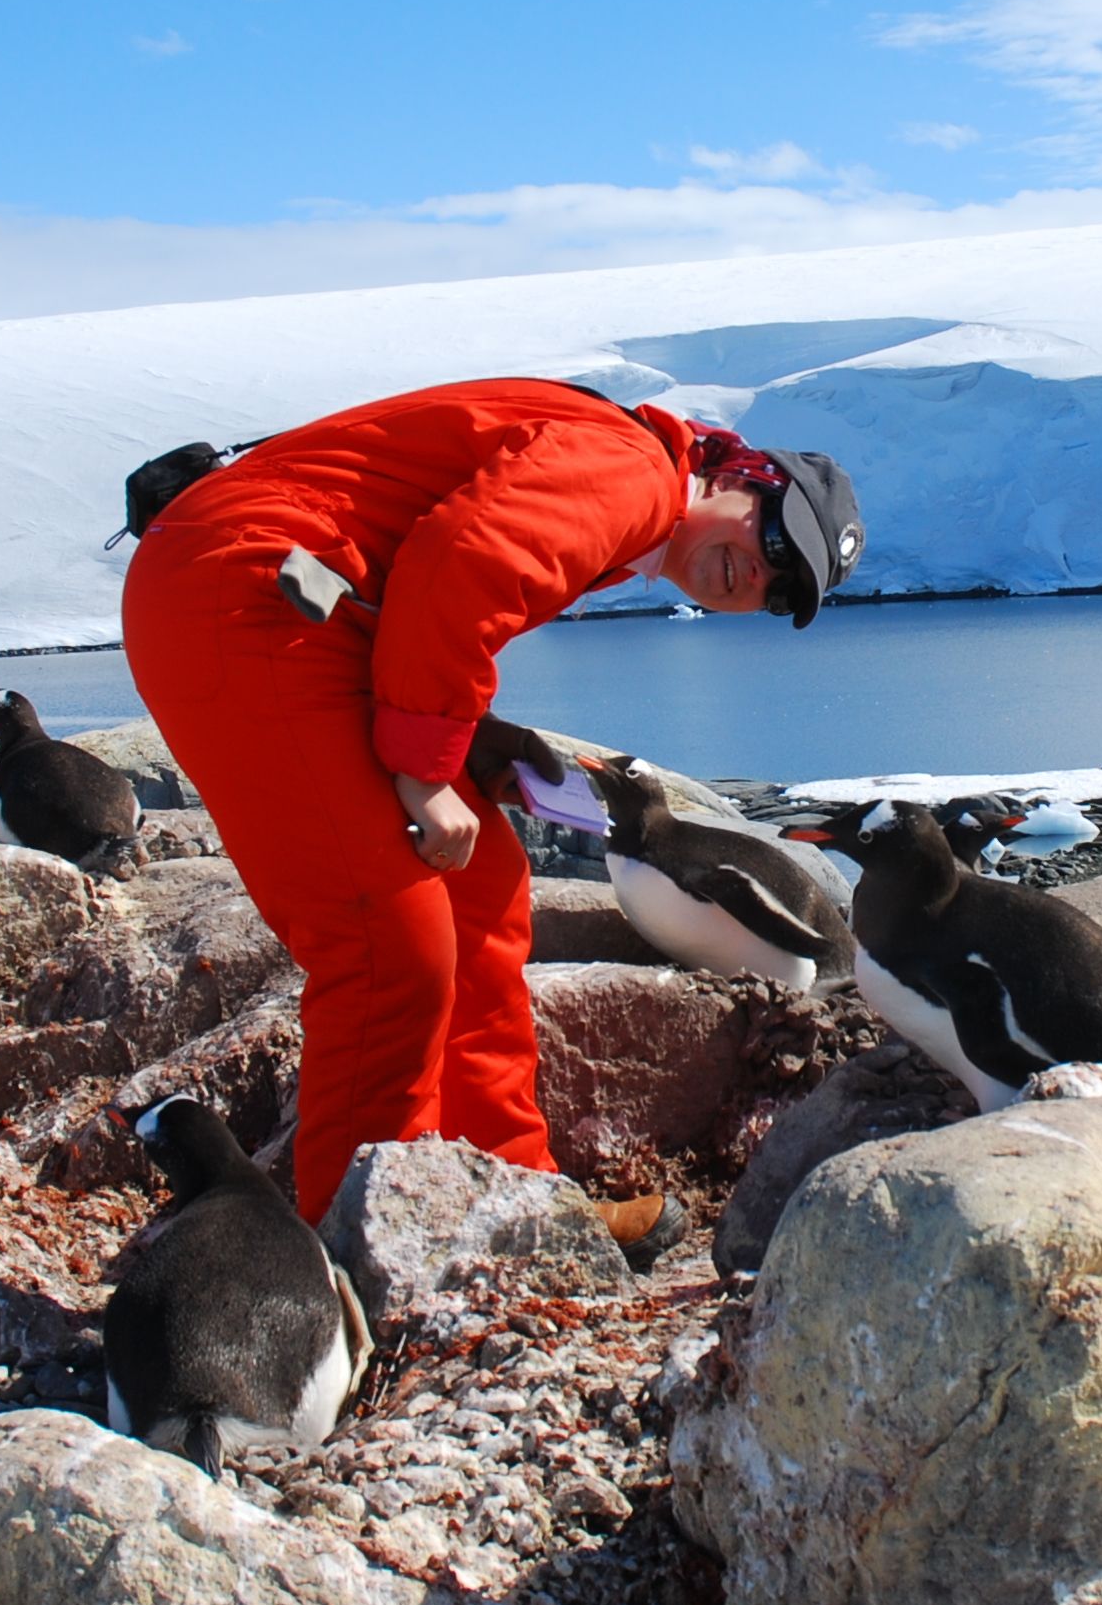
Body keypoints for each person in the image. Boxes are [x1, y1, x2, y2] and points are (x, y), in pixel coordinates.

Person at [119, 379, 865, 1227]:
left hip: (301, 601)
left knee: (480, 892)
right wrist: (425, 768)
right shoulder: (636, 475)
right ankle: (365, 1243)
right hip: (248, 595)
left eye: (781, 590)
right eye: (771, 535)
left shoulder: (634, 490)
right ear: (739, 473)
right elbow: (466, 560)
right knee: (388, 946)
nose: (758, 574)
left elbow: (426, 571)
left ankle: (512, 1200)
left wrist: (464, 737)